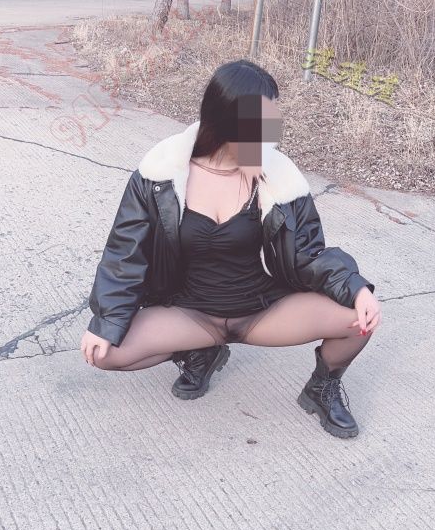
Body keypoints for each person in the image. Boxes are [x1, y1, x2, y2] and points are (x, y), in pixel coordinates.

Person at [80, 59, 381, 438]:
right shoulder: (162, 174)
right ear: (229, 119)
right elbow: (125, 253)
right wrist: (107, 321)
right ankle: (198, 352)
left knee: (359, 321)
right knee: (104, 353)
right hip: (191, 313)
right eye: (265, 116)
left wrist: (355, 287)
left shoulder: (276, 176)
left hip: (262, 312)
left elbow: (308, 250)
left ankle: (322, 387)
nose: (275, 125)